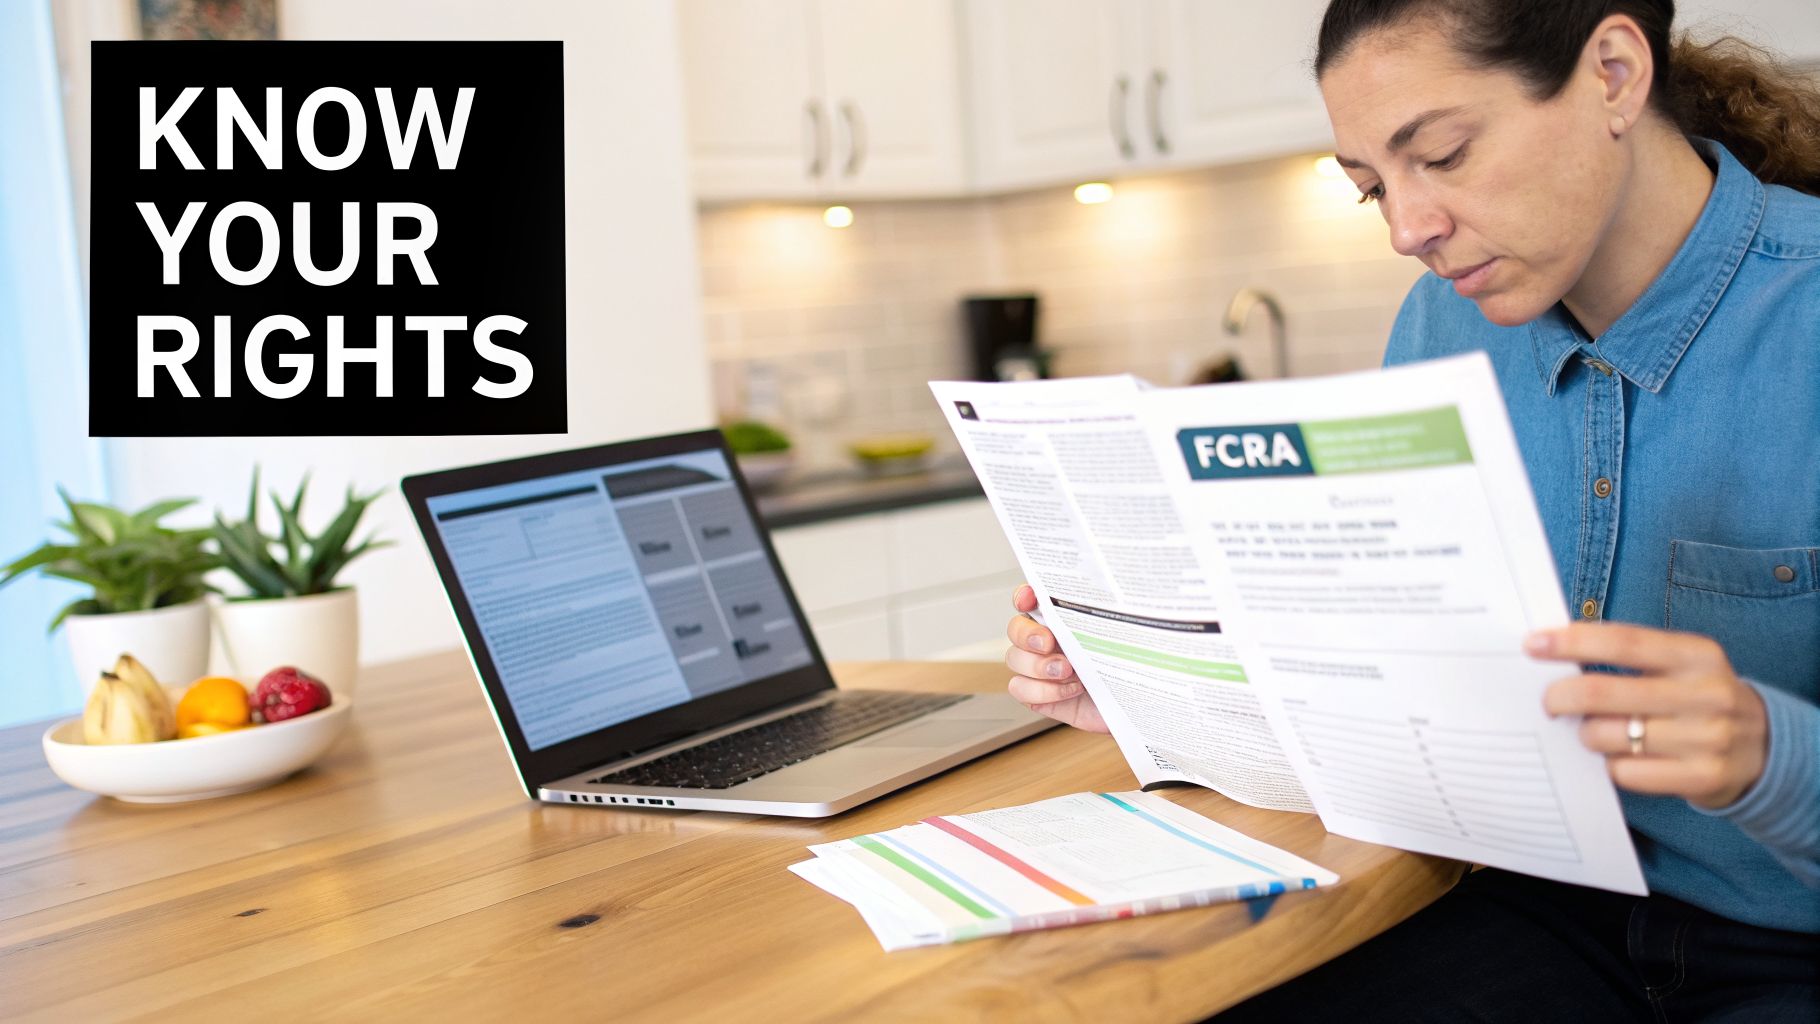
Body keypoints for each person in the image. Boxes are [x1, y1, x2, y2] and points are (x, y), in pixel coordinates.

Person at [1002, 1, 1820, 1019]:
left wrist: (1760, 750)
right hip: (1537, 917)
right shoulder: (1442, 323)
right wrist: (1157, 685)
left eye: (1442, 153)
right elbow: (1399, 701)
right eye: (1370, 189)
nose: (1406, 228)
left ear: (1612, 72)